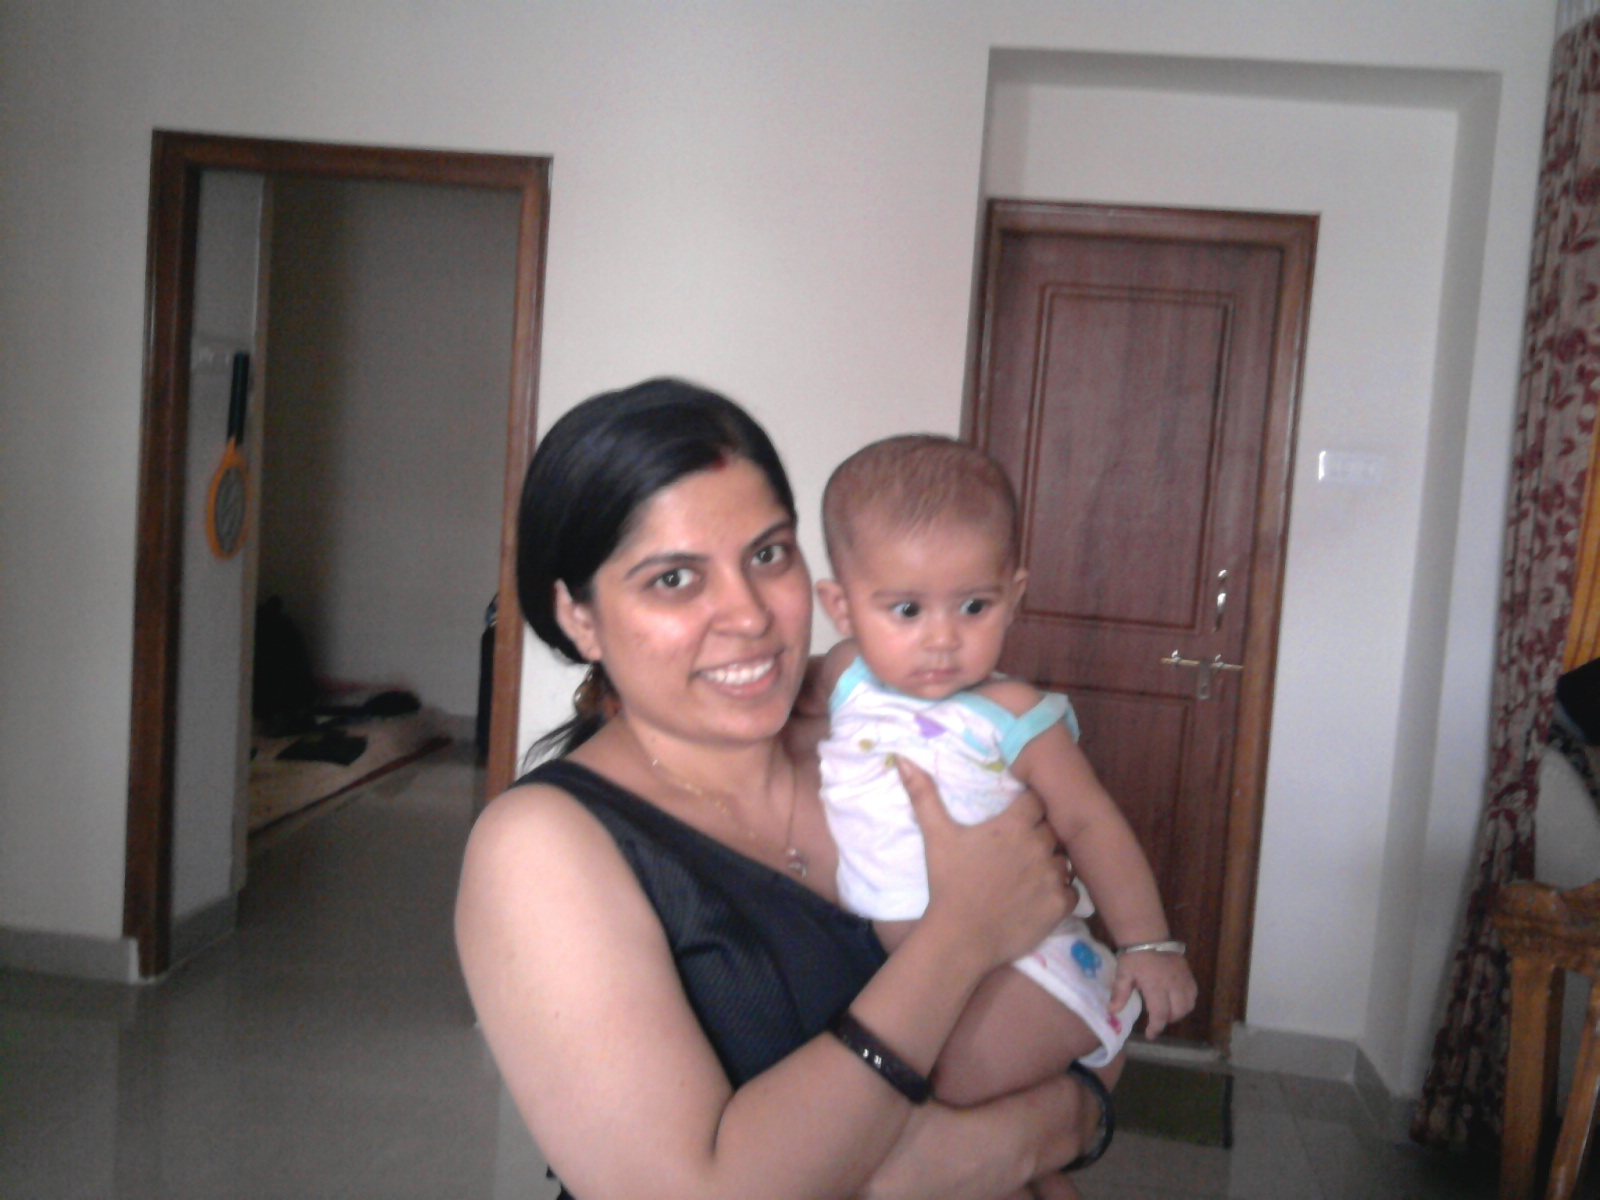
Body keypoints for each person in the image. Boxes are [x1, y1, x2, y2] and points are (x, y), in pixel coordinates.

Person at [454, 379, 1115, 1200]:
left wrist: (1068, 1119)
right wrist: (959, 940)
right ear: (579, 617)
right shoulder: (541, 850)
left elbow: (1082, 989)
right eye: (674, 578)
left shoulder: (886, 743)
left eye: (768, 555)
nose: (750, 615)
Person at [811, 435, 1198, 1198]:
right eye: (906, 609)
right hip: (937, 968)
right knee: (898, 1084)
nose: (942, 638)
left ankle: (1086, 1068)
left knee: (935, 1090)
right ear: (842, 607)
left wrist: (1149, 943)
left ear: (1014, 596)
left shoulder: (1015, 713)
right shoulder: (844, 678)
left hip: (1029, 965)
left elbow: (1090, 822)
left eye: (975, 606)